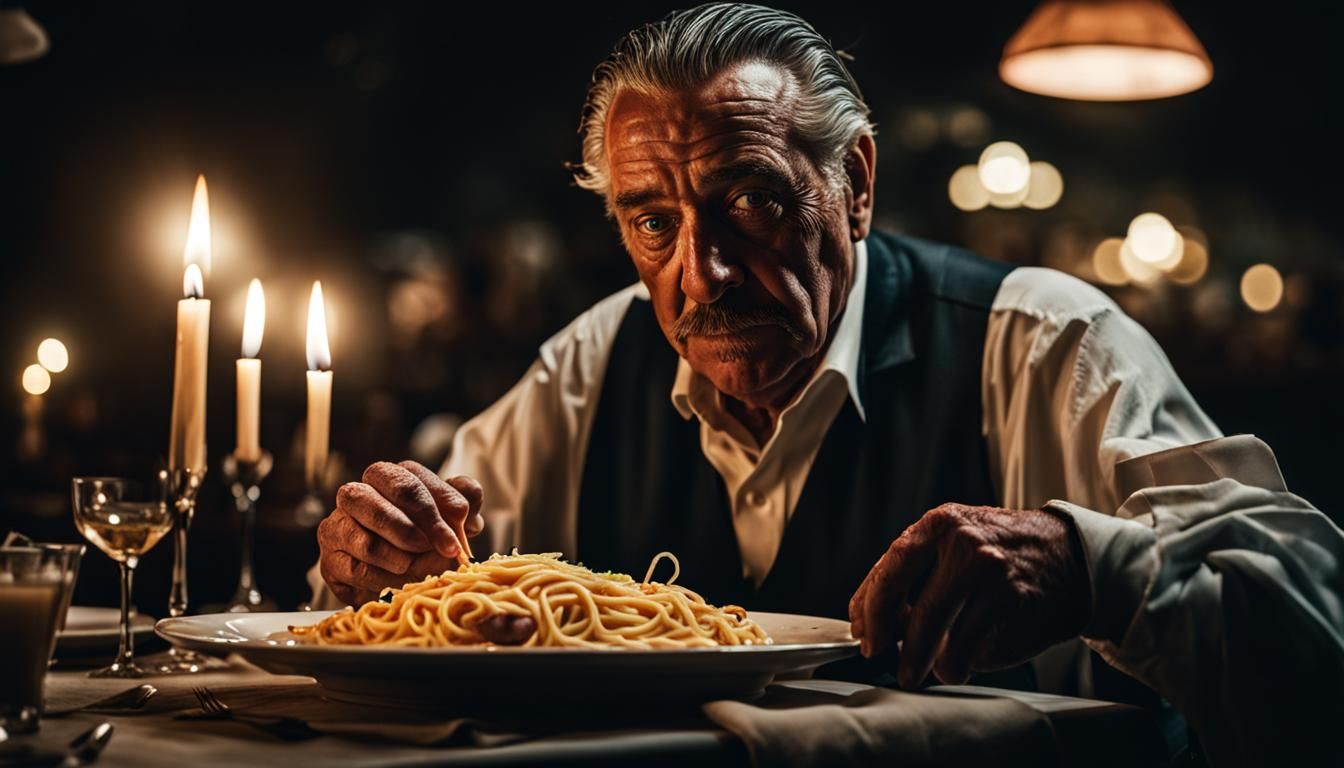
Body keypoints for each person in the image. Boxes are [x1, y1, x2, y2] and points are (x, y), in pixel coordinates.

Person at [310, 4, 1344, 763]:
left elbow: (1316, 653)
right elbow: (372, 605)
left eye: (749, 202)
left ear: (854, 186)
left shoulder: (1041, 346)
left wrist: (1097, 569)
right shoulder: (591, 366)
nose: (698, 274)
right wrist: (376, 559)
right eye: (651, 221)